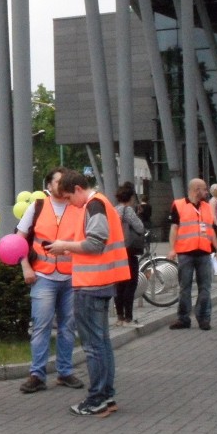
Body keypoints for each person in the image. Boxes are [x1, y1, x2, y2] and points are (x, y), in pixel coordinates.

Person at [46, 170, 130, 417]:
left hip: (91, 285)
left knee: (94, 346)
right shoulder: (99, 204)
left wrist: (64, 246)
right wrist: (69, 252)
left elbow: (95, 244)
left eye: (70, 198)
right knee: (102, 344)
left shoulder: (94, 206)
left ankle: (97, 399)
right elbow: (95, 245)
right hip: (101, 282)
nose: (71, 204)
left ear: (78, 190)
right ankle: (106, 396)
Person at [15, 167, 85, 394]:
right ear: (49, 185)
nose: (63, 184)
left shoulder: (78, 207)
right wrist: (25, 267)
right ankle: (37, 374)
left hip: (71, 276)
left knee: (67, 328)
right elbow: (19, 240)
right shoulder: (37, 207)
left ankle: (65, 372)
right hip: (42, 275)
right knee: (41, 327)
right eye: (58, 181)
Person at [167, 179, 217, 331]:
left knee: (205, 287)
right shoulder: (178, 205)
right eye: (204, 189)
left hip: (204, 253)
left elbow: (210, 230)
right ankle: (183, 319)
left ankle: (204, 318)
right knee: (184, 287)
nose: (206, 192)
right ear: (196, 189)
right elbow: (174, 228)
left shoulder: (206, 207)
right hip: (185, 252)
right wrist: (172, 249)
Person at [114, 182, 145, 328]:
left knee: (119, 285)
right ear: (131, 197)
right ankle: (128, 316)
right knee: (130, 284)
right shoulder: (128, 210)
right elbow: (139, 227)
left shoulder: (114, 210)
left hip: (117, 251)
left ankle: (119, 316)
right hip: (129, 250)